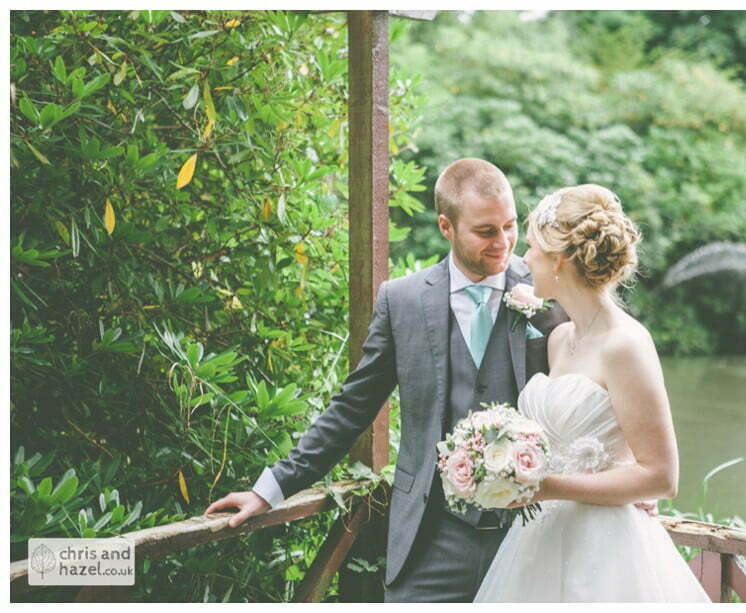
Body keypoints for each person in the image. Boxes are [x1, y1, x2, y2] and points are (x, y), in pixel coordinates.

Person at [204, 158, 571, 602]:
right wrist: (270, 489)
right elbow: (352, 407)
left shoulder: (549, 290)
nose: (504, 243)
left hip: (531, 534)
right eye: (486, 231)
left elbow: (596, 386)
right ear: (445, 226)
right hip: (431, 539)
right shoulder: (403, 301)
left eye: (510, 226)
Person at [474, 184, 711, 602]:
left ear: (560, 260)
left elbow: (661, 476)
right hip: (536, 542)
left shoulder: (626, 345)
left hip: (607, 550)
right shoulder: (558, 338)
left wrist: (548, 488)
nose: (523, 259)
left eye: (532, 248)